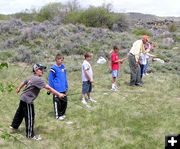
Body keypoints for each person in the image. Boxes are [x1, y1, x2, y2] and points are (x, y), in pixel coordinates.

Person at [10, 64, 65, 140]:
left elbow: (24, 82)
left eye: (43, 69)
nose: (43, 71)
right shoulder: (38, 79)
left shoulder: (31, 77)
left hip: (23, 98)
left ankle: (14, 126)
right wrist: (59, 94)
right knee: (30, 117)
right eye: (41, 69)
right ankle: (30, 135)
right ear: (36, 70)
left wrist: (19, 88)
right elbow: (48, 87)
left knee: (20, 113)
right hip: (28, 101)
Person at [48, 54, 68, 120]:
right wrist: (51, 89)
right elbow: (51, 80)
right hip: (56, 89)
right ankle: (58, 115)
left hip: (63, 88)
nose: (61, 61)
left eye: (62, 60)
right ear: (56, 60)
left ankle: (62, 114)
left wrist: (66, 87)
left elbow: (65, 77)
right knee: (57, 102)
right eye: (60, 59)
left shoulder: (63, 67)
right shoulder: (53, 69)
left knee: (64, 102)